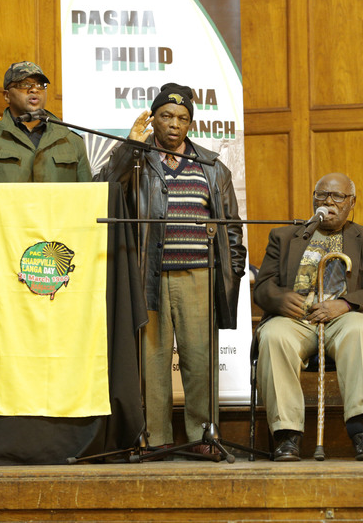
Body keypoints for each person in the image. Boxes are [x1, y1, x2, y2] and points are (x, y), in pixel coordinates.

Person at [94, 83, 246, 454]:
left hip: (199, 276)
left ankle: (203, 436)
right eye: (165, 116)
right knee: (153, 363)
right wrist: (130, 146)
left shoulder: (212, 166)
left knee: (200, 361)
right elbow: (102, 189)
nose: (174, 124)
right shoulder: (136, 161)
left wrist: (234, 273)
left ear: (191, 123)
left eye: (182, 118)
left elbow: (232, 228)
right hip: (148, 277)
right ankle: (156, 439)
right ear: (153, 118)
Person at [252, 172, 363, 461]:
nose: (329, 202)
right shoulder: (283, 236)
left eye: (337, 196)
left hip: (345, 317)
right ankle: (286, 436)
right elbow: (263, 287)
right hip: (296, 319)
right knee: (273, 335)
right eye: (322, 195)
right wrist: (280, 300)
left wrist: (345, 304)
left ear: (351, 202)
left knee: (360, 331)